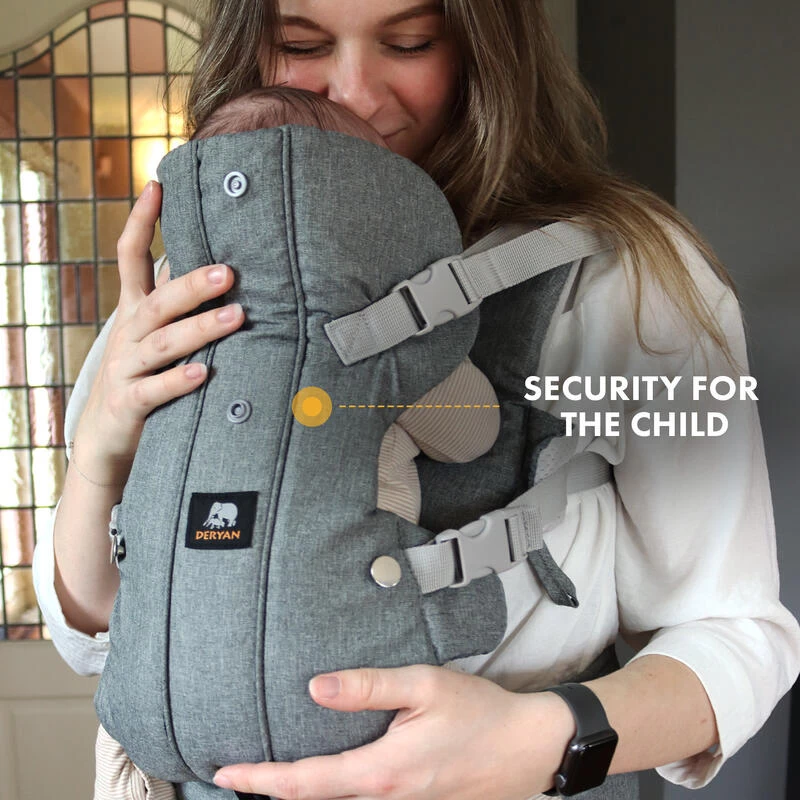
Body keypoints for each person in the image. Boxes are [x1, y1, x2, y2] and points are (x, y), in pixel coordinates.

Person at [32, 1, 800, 799]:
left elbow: (738, 634)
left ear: (482, 52)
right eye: (300, 44)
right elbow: (92, 633)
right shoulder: (190, 286)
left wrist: (535, 740)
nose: (356, 92)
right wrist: (102, 452)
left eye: (408, 43)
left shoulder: (618, 277)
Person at [92, 83, 501, 800]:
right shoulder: (380, 336)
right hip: (340, 701)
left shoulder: (160, 335)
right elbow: (473, 434)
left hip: (156, 713)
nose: (358, 86)